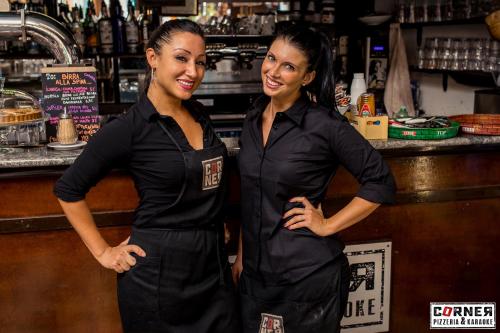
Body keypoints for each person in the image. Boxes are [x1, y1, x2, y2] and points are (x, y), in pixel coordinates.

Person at [54, 19, 240, 333]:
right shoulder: (128, 128)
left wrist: (216, 222)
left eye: (200, 62)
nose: (192, 72)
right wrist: (104, 252)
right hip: (159, 280)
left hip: (213, 270)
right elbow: (68, 189)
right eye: (181, 58)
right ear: (153, 58)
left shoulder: (198, 113)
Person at [232, 24, 396, 333]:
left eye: (289, 66)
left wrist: (328, 224)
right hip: (255, 277)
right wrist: (242, 256)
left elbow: (381, 182)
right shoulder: (253, 118)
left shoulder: (323, 125)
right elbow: (252, 196)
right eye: (271, 58)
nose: (273, 71)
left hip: (306, 277)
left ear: (307, 77)